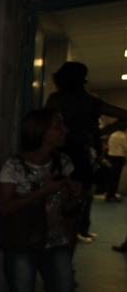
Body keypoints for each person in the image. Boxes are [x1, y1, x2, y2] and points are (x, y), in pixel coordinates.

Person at [0, 108, 82, 292]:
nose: (64, 131)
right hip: (22, 246)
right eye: (58, 126)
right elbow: (5, 208)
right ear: (41, 131)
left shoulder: (63, 163)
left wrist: (74, 195)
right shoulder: (15, 165)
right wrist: (40, 193)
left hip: (55, 244)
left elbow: (66, 210)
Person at [45, 62, 127, 245]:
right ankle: (66, 257)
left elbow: (43, 124)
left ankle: (49, 252)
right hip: (81, 158)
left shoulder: (57, 100)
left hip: (57, 155)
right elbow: (124, 116)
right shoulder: (92, 102)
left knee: (50, 207)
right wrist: (98, 134)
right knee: (72, 214)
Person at [105, 122, 127, 202]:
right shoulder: (122, 136)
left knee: (111, 176)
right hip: (118, 158)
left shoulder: (112, 135)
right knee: (116, 177)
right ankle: (112, 195)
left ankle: (109, 193)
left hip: (111, 156)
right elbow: (126, 148)